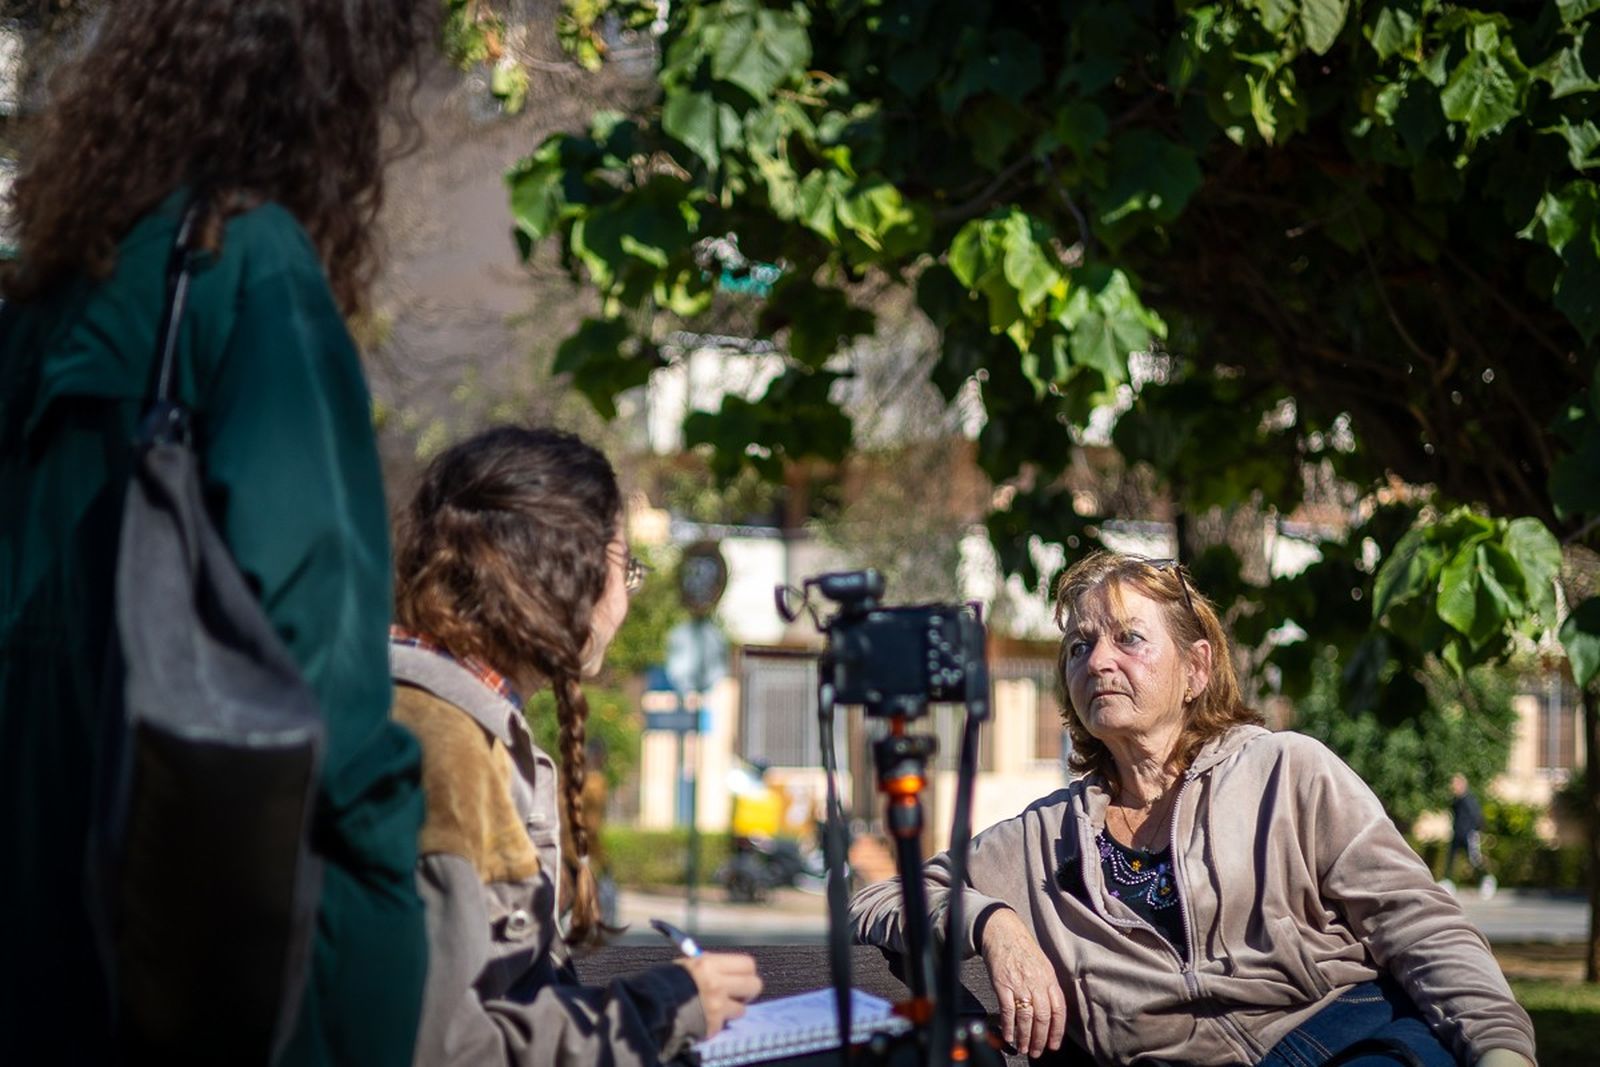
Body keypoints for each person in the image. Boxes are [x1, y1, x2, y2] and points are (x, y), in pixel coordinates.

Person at [0, 2, 438, 1060]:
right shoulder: (252, 269)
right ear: (332, 82)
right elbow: (321, 672)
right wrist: (387, 902)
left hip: (36, 932)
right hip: (220, 960)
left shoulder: (45, 301)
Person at [851, 552, 1536, 1066]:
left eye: (1129, 638)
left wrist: (1501, 1049)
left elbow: (1418, 923)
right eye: (1080, 646)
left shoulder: (1285, 770)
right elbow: (879, 898)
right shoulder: (1042, 837)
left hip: (1353, 1039)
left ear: (1197, 668)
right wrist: (995, 923)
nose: (1097, 661)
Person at [390, 425, 762, 1065]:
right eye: (628, 570)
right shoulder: (438, 749)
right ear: (568, 575)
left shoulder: (459, 725)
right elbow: (443, 1049)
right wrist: (659, 1009)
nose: (626, 597)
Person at [1445, 774, 1497, 900]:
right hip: (1457, 835)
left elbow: (1477, 818)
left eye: (1456, 784)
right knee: (1450, 860)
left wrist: (1474, 832)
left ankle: (1487, 880)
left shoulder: (1470, 800)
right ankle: (1448, 883)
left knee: (1475, 860)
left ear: (1463, 785)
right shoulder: (1456, 801)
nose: (1453, 787)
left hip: (1468, 835)